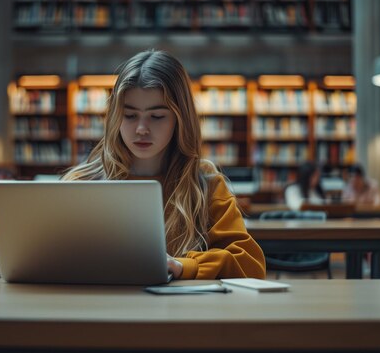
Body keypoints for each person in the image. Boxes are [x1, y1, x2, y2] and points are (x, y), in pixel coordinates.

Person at [62, 50, 265, 280]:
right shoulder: (81, 183)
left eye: (157, 116)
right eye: (129, 116)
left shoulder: (205, 183)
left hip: (177, 313)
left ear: (180, 119)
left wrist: (184, 266)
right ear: (115, 118)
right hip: (99, 309)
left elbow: (251, 265)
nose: (141, 129)